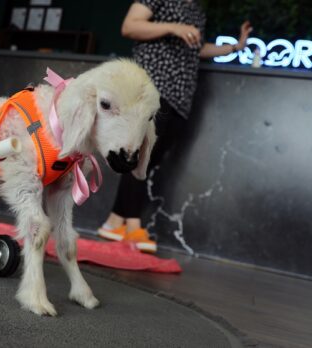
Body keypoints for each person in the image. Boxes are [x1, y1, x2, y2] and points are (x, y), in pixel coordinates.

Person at [97, 0, 252, 253]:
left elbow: (196, 49)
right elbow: (130, 26)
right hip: (152, 89)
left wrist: (236, 46)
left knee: (149, 160)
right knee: (140, 158)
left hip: (180, 97)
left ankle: (114, 222)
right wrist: (174, 27)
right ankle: (133, 225)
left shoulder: (197, 9)